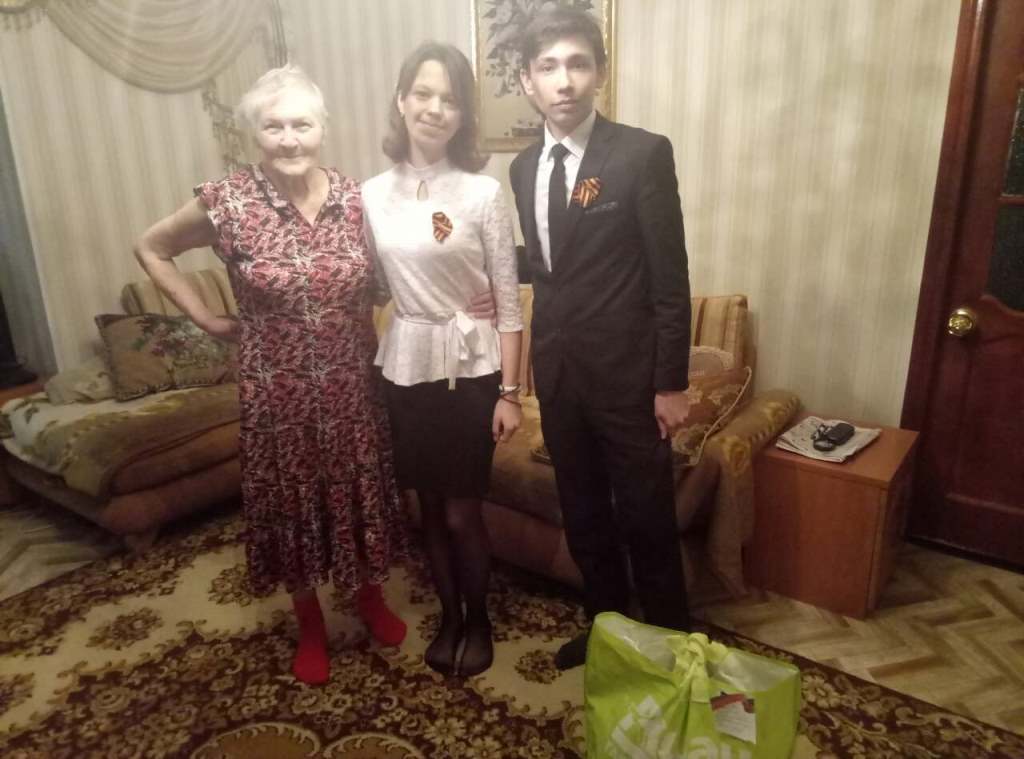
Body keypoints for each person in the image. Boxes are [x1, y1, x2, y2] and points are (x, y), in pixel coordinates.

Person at [133, 64, 413, 687]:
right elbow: (151, 247)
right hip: (276, 393)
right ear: (253, 133)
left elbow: (399, 272)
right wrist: (205, 317)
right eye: (274, 126)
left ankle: (369, 597)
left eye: (302, 125)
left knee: (360, 491)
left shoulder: (356, 198)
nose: (290, 139)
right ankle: (309, 621)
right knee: (292, 504)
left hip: (353, 385)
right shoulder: (227, 202)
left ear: (323, 128)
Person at [509, 7, 693, 670]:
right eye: (548, 67)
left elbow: (670, 279)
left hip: (628, 380)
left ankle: (673, 652)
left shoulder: (641, 154)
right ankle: (607, 629)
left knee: (646, 519)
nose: (564, 81)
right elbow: (553, 259)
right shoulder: (523, 168)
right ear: (528, 81)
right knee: (583, 515)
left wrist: (670, 383)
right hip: (559, 377)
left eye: (578, 64)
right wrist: (487, 271)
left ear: (600, 73)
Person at [361, 42, 524, 677]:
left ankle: (478, 619)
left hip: (471, 368)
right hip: (406, 366)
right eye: (423, 94)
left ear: (463, 115)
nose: (435, 109)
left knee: (461, 509)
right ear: (401, 101)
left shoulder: (483, 192)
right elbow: (371, 283)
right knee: (426, 505)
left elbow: (508, 302)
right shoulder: (369, 196)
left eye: (450, 99)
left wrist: (510, 392)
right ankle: (449, 615)